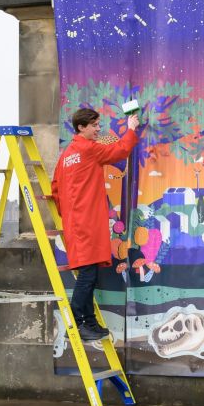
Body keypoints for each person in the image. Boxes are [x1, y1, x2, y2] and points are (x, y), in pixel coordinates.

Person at [51, 108, 140, 341]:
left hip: (76, 223)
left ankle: (89, 321)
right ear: (81, 127)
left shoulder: (67, 155)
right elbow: (119, 150)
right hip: (87, 223)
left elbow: (55, 188)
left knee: (89, 273)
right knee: (88, 275)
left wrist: (69, 214)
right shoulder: (87, 149)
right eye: (95, 125)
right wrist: (130, 129)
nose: (98, 129)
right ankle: (77, 322)